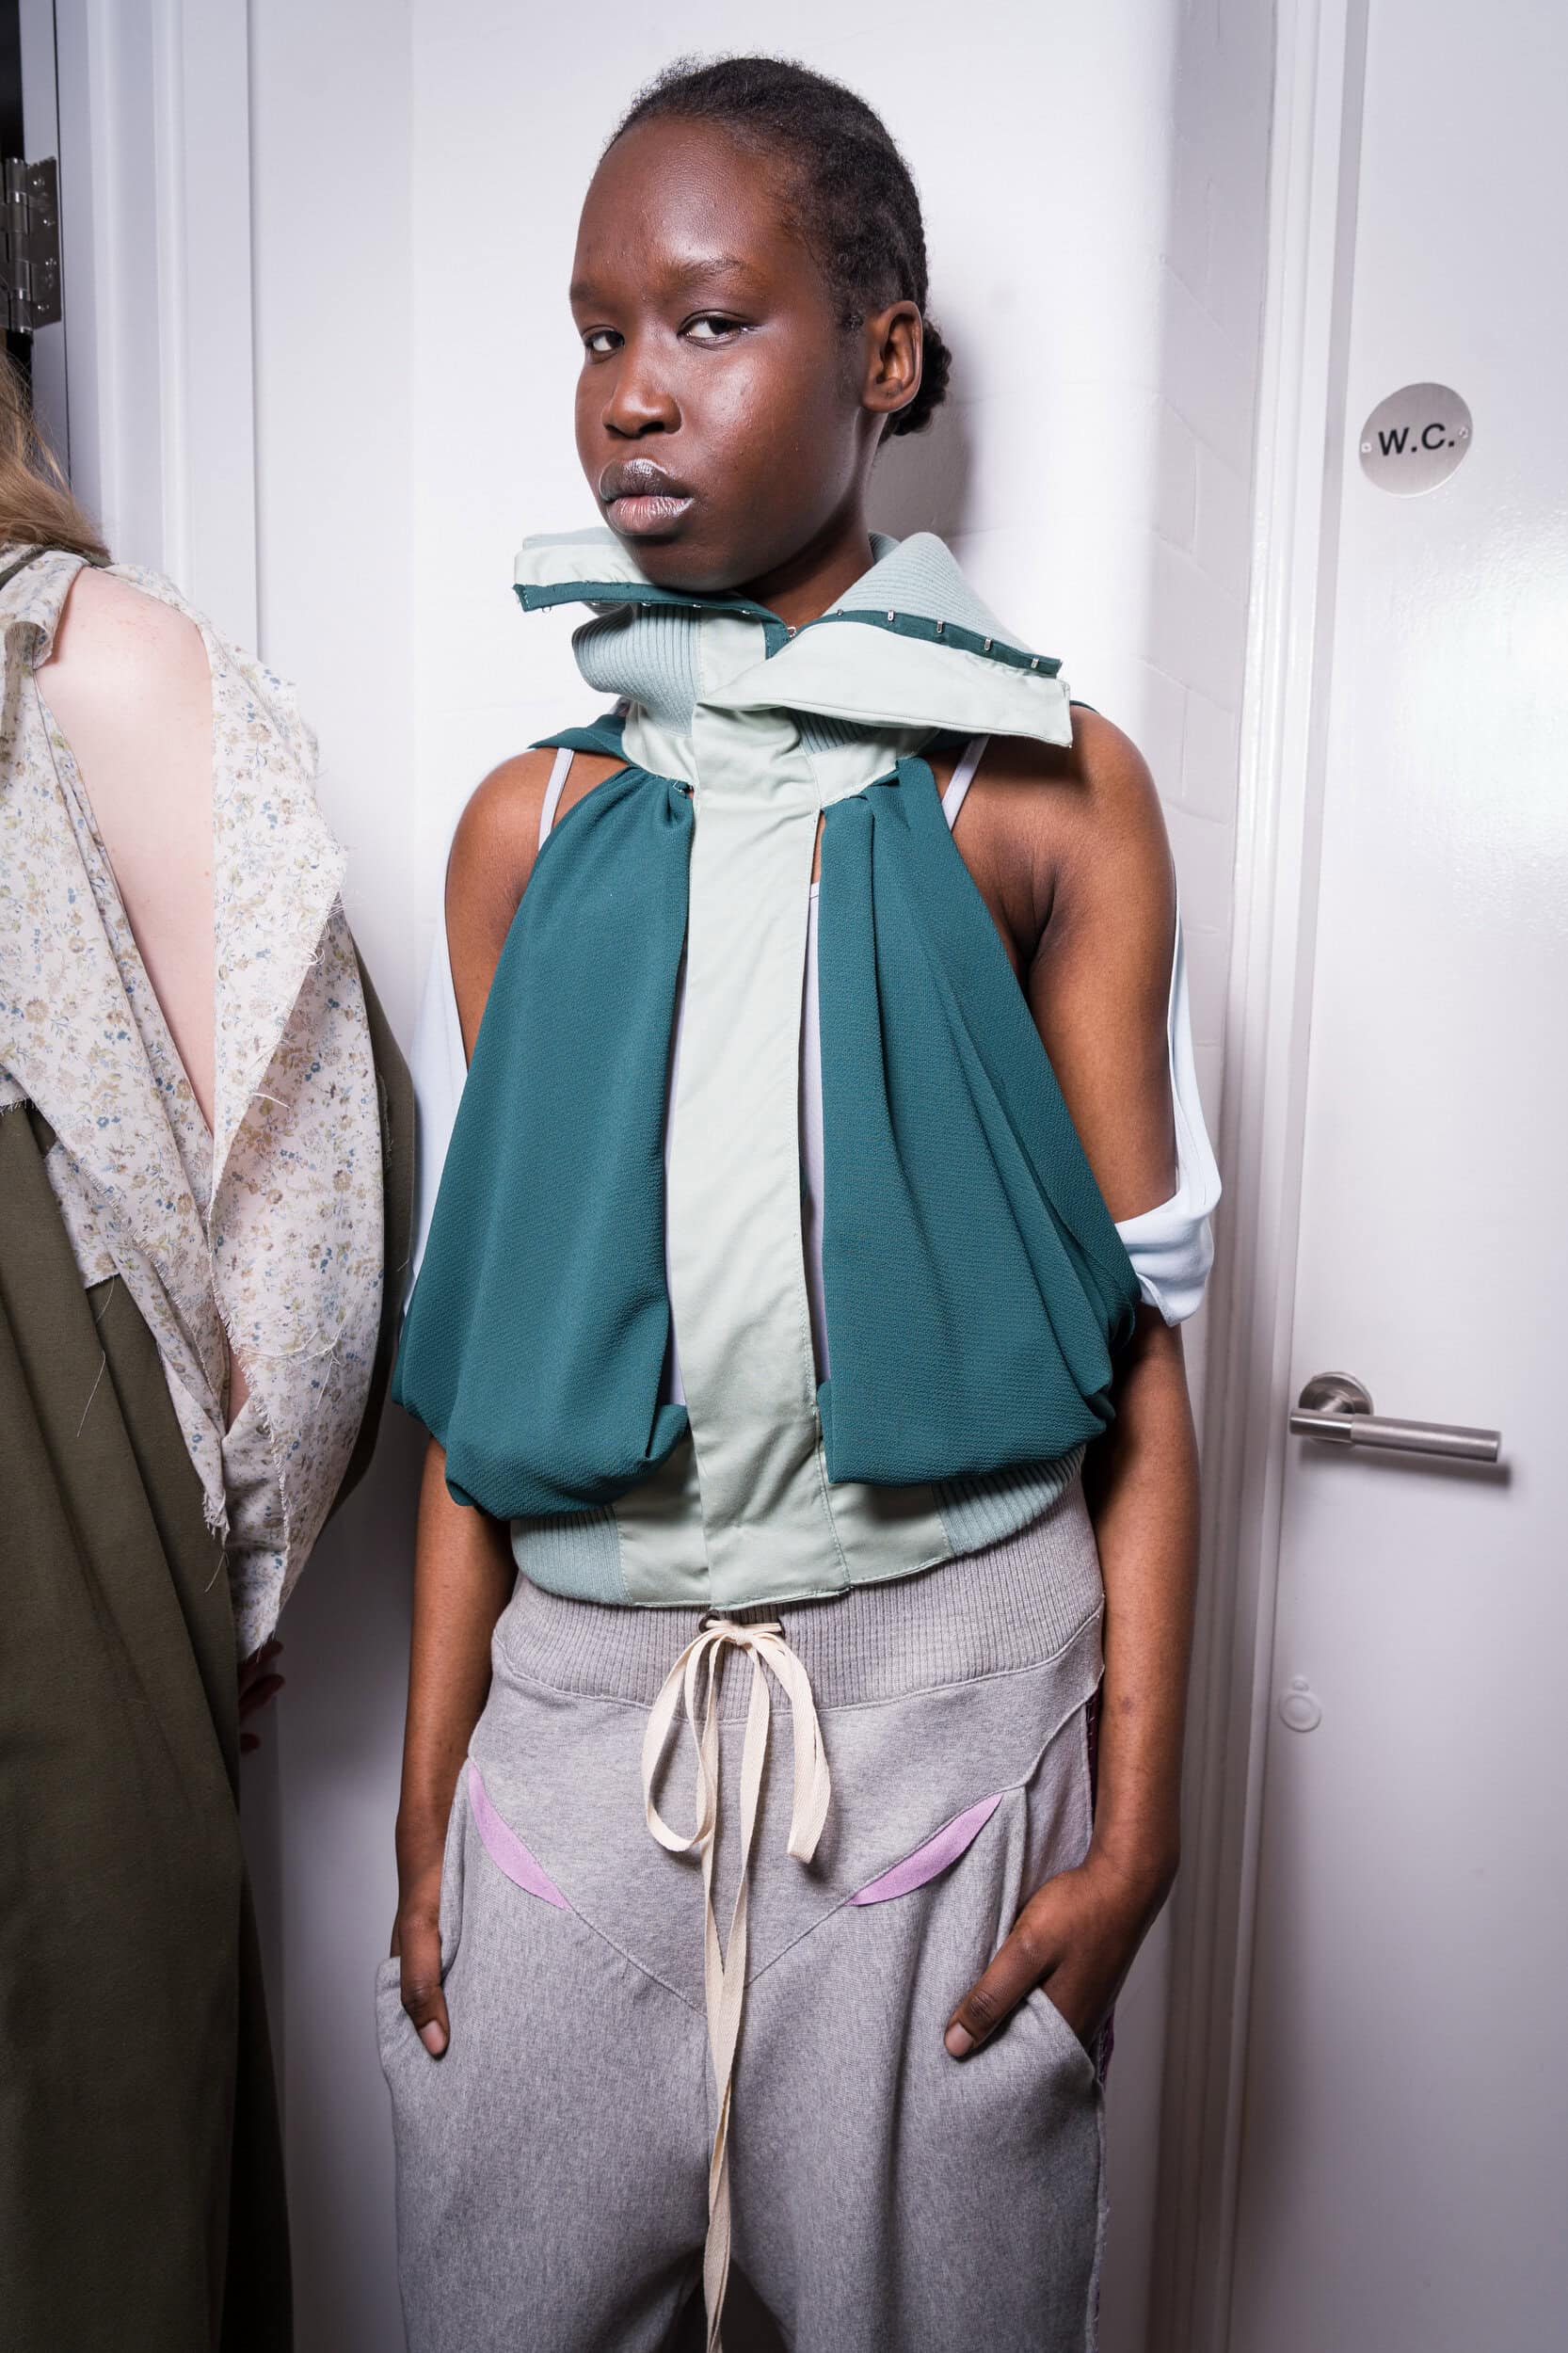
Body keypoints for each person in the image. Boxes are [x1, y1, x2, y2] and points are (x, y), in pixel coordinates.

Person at [382, 53, 1219, 2353]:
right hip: (576, 1744)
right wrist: (433, 1794)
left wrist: (1135, 1830)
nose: (632, 393)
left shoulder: (1035, 794)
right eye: (596, 333)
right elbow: (490, 1367)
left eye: (708, 320)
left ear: (882, 353)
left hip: (943, 1739)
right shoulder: (527, 830)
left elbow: (1140, 1363)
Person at [0, 359, 414, 2350]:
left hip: (43, 1580)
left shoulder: (83, 658)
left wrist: (207, 1584)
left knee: (74, 2190)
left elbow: (308, 1202)